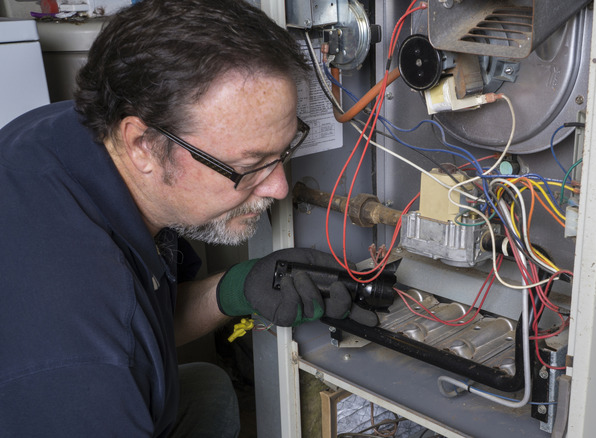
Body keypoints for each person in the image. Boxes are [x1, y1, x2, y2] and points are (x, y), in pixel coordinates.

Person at [0, 0, 373, 436]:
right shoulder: (86, 363)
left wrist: (239, 286)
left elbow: (151, 319)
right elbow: (116, 337)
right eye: (250, 165)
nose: (278, 188)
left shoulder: (71, 131)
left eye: (283, 152)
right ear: (142, 144)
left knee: (207, 387)